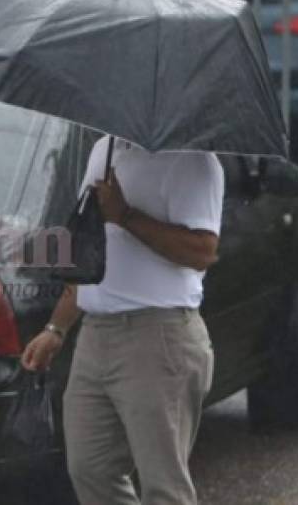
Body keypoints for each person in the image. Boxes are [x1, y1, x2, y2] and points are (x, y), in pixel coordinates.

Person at [22, 136, 224, 505]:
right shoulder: (104, 150)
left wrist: (126, 216)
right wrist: (56, 328)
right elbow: (88, 252)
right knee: (90, 469)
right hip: (97, 334)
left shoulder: (193, 160)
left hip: (159, 336)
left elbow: (203, 251)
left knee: (164, 486)